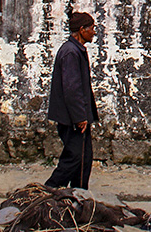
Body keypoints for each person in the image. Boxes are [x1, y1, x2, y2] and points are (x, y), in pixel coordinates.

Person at [45, 11, 98, 189]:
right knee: (73, 158)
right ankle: (47, 191)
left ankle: (79, 194)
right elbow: (71, 89)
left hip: (77, 117)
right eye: (91, 28)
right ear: (82, 30)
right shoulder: (70, 53)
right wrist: (79, 117)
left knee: (84, 159)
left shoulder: (76, 50)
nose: (94, 32)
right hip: (72, 119)